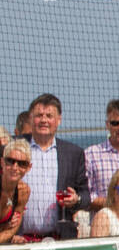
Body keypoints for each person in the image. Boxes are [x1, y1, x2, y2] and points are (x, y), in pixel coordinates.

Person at [18, 94, 90, 240]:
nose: (44, 120)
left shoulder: (73, 153)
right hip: (20, 240)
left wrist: (76, 199)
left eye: (49, 116)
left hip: (60, 239)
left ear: (58, 120)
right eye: (39, 115)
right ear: (31, 119)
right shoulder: (16, 148)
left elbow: (86, 196)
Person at [0, 138, 33, 245]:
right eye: (10, 161)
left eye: (22, 163)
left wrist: (8, 236)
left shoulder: (23, 191)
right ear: (2, 162)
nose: (15, 167)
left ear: (28, 167)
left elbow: (12, 229)